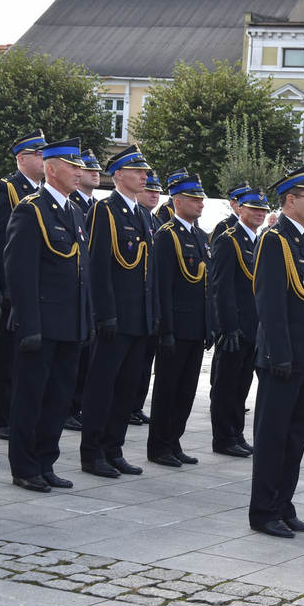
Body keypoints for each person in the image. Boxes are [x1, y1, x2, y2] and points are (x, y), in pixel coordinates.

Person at [4, 138, 92, 492]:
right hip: (41, 324)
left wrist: (85, 321)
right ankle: (25, 466)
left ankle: (45, 461)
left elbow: (82, 273)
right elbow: (19, 272)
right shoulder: (31, 209)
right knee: (31, 397)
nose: (79, 173)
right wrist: (28, 324)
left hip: (70, 324)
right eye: (72, 166)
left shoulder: (73, 211)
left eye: (79, 166)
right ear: (51, 169)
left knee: (58, 398)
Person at [248, 163, 304, 539]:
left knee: (297, 435)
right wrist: (279, 353)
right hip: (282, 357)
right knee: (273, 436)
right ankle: (264, 511)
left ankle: (284, 504)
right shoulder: (273, 239)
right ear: (290, 200)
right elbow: (269, 303)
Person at [79, 145, 157, 479]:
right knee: (102, 386)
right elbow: (97, 266)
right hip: (115, 318)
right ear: (119, 175)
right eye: (138, 172)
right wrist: (104, 314)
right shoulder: (105, 211)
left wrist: (152, 314)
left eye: (145, 172)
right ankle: (92, 452)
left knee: (127, 388)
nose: (145, 177)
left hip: (138, 318)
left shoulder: (142, 215)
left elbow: (148, 272)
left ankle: (114, 448)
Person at [0, 129, 46, 441]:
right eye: (37, 154)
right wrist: (5, 289)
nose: (43, 159)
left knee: (24, 359)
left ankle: (14, 413)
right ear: (21, 158)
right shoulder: (7, 188)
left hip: (36, 288)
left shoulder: (45, 191)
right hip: (11, 289)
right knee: (6, 356)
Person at [148, 172, 212, 467]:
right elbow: (162, 285)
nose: (200, 203)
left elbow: (206, 286)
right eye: (194, 198)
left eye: (201, 198)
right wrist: (165, 329)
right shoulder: (167, 234)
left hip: (196, 328)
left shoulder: (200, 236)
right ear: (177, 200)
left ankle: (174, 441)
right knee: (167, 389)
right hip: (175, 327)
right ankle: (159, 446)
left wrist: (209, 324)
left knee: (186, 391)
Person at [209, 188, 267, 457]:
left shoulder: (260, 240)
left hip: (253, 326)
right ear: (239, 209)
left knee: (242, 386)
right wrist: (228, 326)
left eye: (262, 210)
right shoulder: (228, 239)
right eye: (253, 208)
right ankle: (223, 437)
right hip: (235, 327)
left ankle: (237, 434)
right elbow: (221, 286)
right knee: (226, 385)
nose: (259, 213)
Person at [65, 148, 103, 432]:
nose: (91, 173)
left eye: (92, 169)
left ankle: (74, 406)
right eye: (88, 169)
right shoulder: (74, 204)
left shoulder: (84, 207)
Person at [131, 172, 165, 425]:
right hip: (125, 312)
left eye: (157, 191)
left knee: (142, 366)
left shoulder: (151, 221)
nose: (154, 194)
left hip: (146, 309)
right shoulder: (110, 213)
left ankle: (135, 405)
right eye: (149, 190)